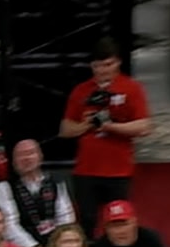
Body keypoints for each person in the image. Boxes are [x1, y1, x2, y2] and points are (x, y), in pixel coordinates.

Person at [62, 37, 149, 235]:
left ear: (118, 62)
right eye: (98, 66)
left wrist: (111, 127)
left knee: (118, 221)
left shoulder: (132, 88)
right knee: (87, 221)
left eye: (108, 64)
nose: (102, 70)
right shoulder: (81, 90)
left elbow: (144, 126)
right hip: (86, 169)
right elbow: (65, 129)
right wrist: (85, 124)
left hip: (118, 170)